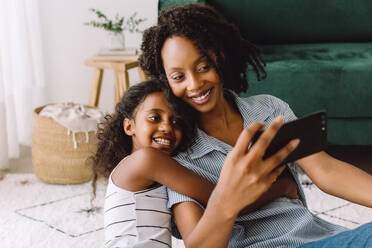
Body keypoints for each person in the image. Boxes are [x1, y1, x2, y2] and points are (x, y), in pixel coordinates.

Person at [139, 3, 372, 248]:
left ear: (220, 56)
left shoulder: (269, 110)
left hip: (320, 238)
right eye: (179, 77)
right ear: (165, 80)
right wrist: (228, 199)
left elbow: (326, 172)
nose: (194, 84)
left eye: (203, 67)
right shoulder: (178, 153)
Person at [90, 80, 217, 247]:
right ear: (129, 126)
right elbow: (216, 195)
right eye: (154, 118)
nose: (166, 127)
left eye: (176, 122)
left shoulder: (145, 165)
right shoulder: (147, 159)